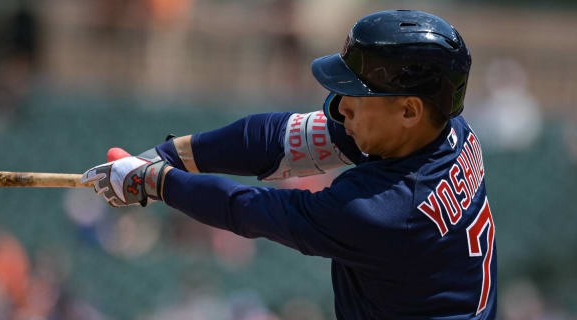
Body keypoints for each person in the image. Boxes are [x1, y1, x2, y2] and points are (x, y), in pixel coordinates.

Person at [81, 10, 496, 319]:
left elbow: (246, 210)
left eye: (359, 94)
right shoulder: (445, 128)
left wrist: (157, 183)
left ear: (408, 110)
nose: (341, 106)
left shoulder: (383, 211)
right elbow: (275, 139)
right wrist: (166, 157)